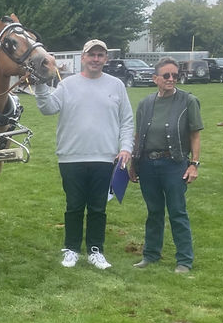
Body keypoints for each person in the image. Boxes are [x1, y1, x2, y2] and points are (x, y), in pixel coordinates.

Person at [35, 39, 134, 270]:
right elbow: (48, 108)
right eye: (92, 55)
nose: (96, 59)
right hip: (71, 157)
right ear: (83, 58)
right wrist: (40, 84)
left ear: (105, 59)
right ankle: (71, 250)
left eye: (100, 55)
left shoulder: (116, 85)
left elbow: (127, 120)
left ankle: (95, 250)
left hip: (105, 157)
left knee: (98, 208)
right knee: (74, 206)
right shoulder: (68, 85)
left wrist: (126, 147)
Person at [129, 58, 203, 274]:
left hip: (174, 164)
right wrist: (134, 163)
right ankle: (150, 255)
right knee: (154, 211)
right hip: (148, 164)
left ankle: (184, 261)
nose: (171, 79)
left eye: (175, 75)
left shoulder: (188, 101)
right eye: (166, 75)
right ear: (155, 79)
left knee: (177, 212)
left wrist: (194, 165)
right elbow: (138, 135)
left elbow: (195, 136)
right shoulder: (145, 103)